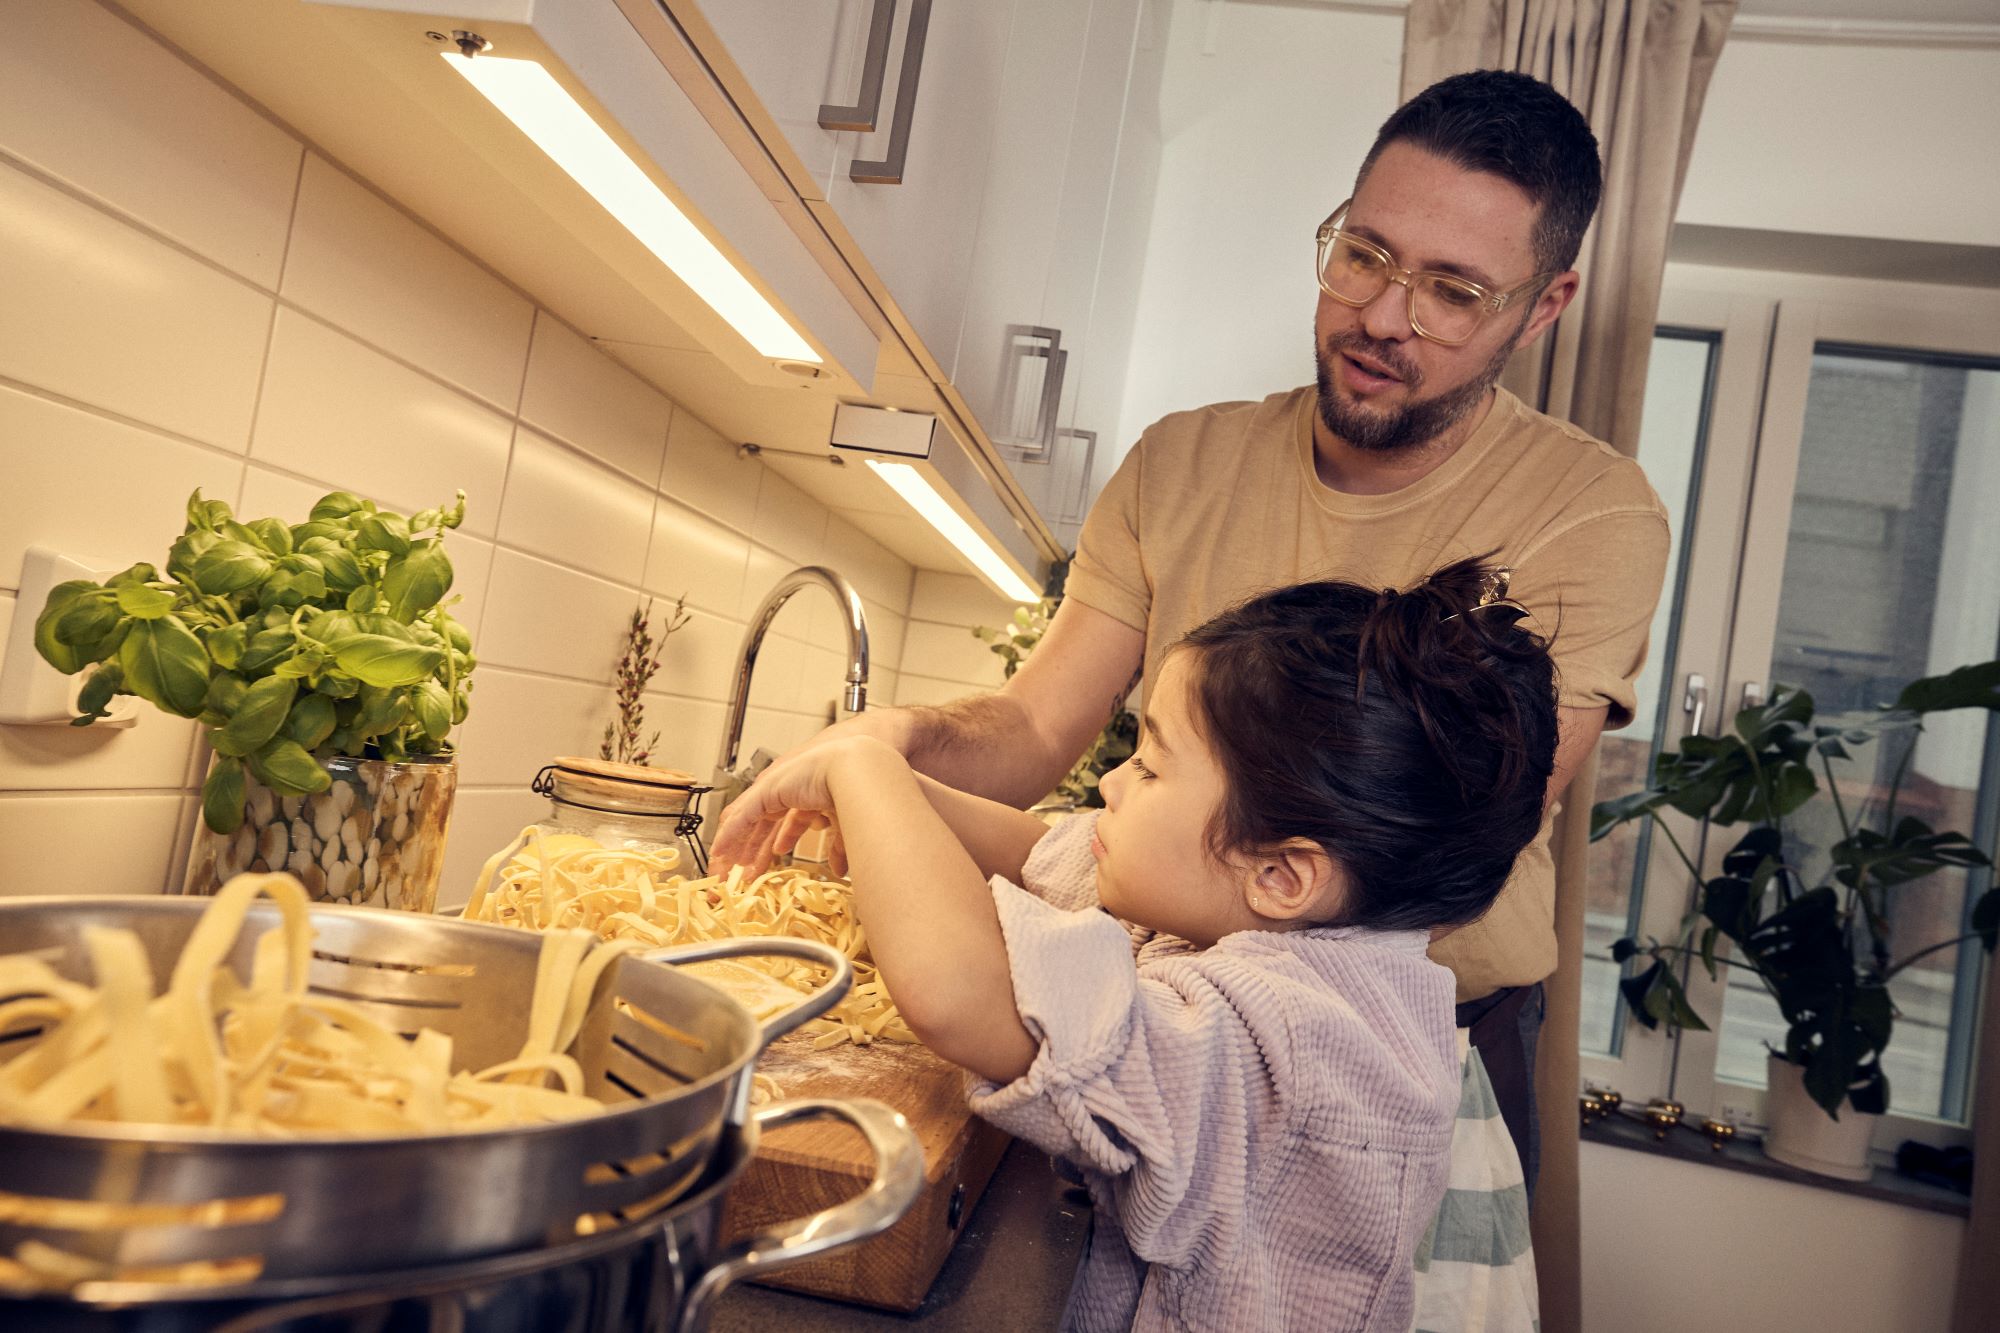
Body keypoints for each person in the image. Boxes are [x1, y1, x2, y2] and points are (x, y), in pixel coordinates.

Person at [718, 70, 1670, 1193]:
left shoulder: (1593, 511)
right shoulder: (1181, 462)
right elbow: (1033, 732)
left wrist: (915, 814)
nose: (1379, 317)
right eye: (1361, 254)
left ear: (1540, 306)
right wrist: (887, 744)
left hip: (1414, 1056)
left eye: (1452, 291)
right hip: (1152, 992)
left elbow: (1450, 846)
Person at [713, 561, 1559, 1331]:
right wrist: (894, 786)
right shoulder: (1290, 929)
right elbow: (1045, 849)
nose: (1114, 782)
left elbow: (965, 996)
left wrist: (864, 772)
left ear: (1283, 874)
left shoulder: (1295, 1042)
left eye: (1150, 766)